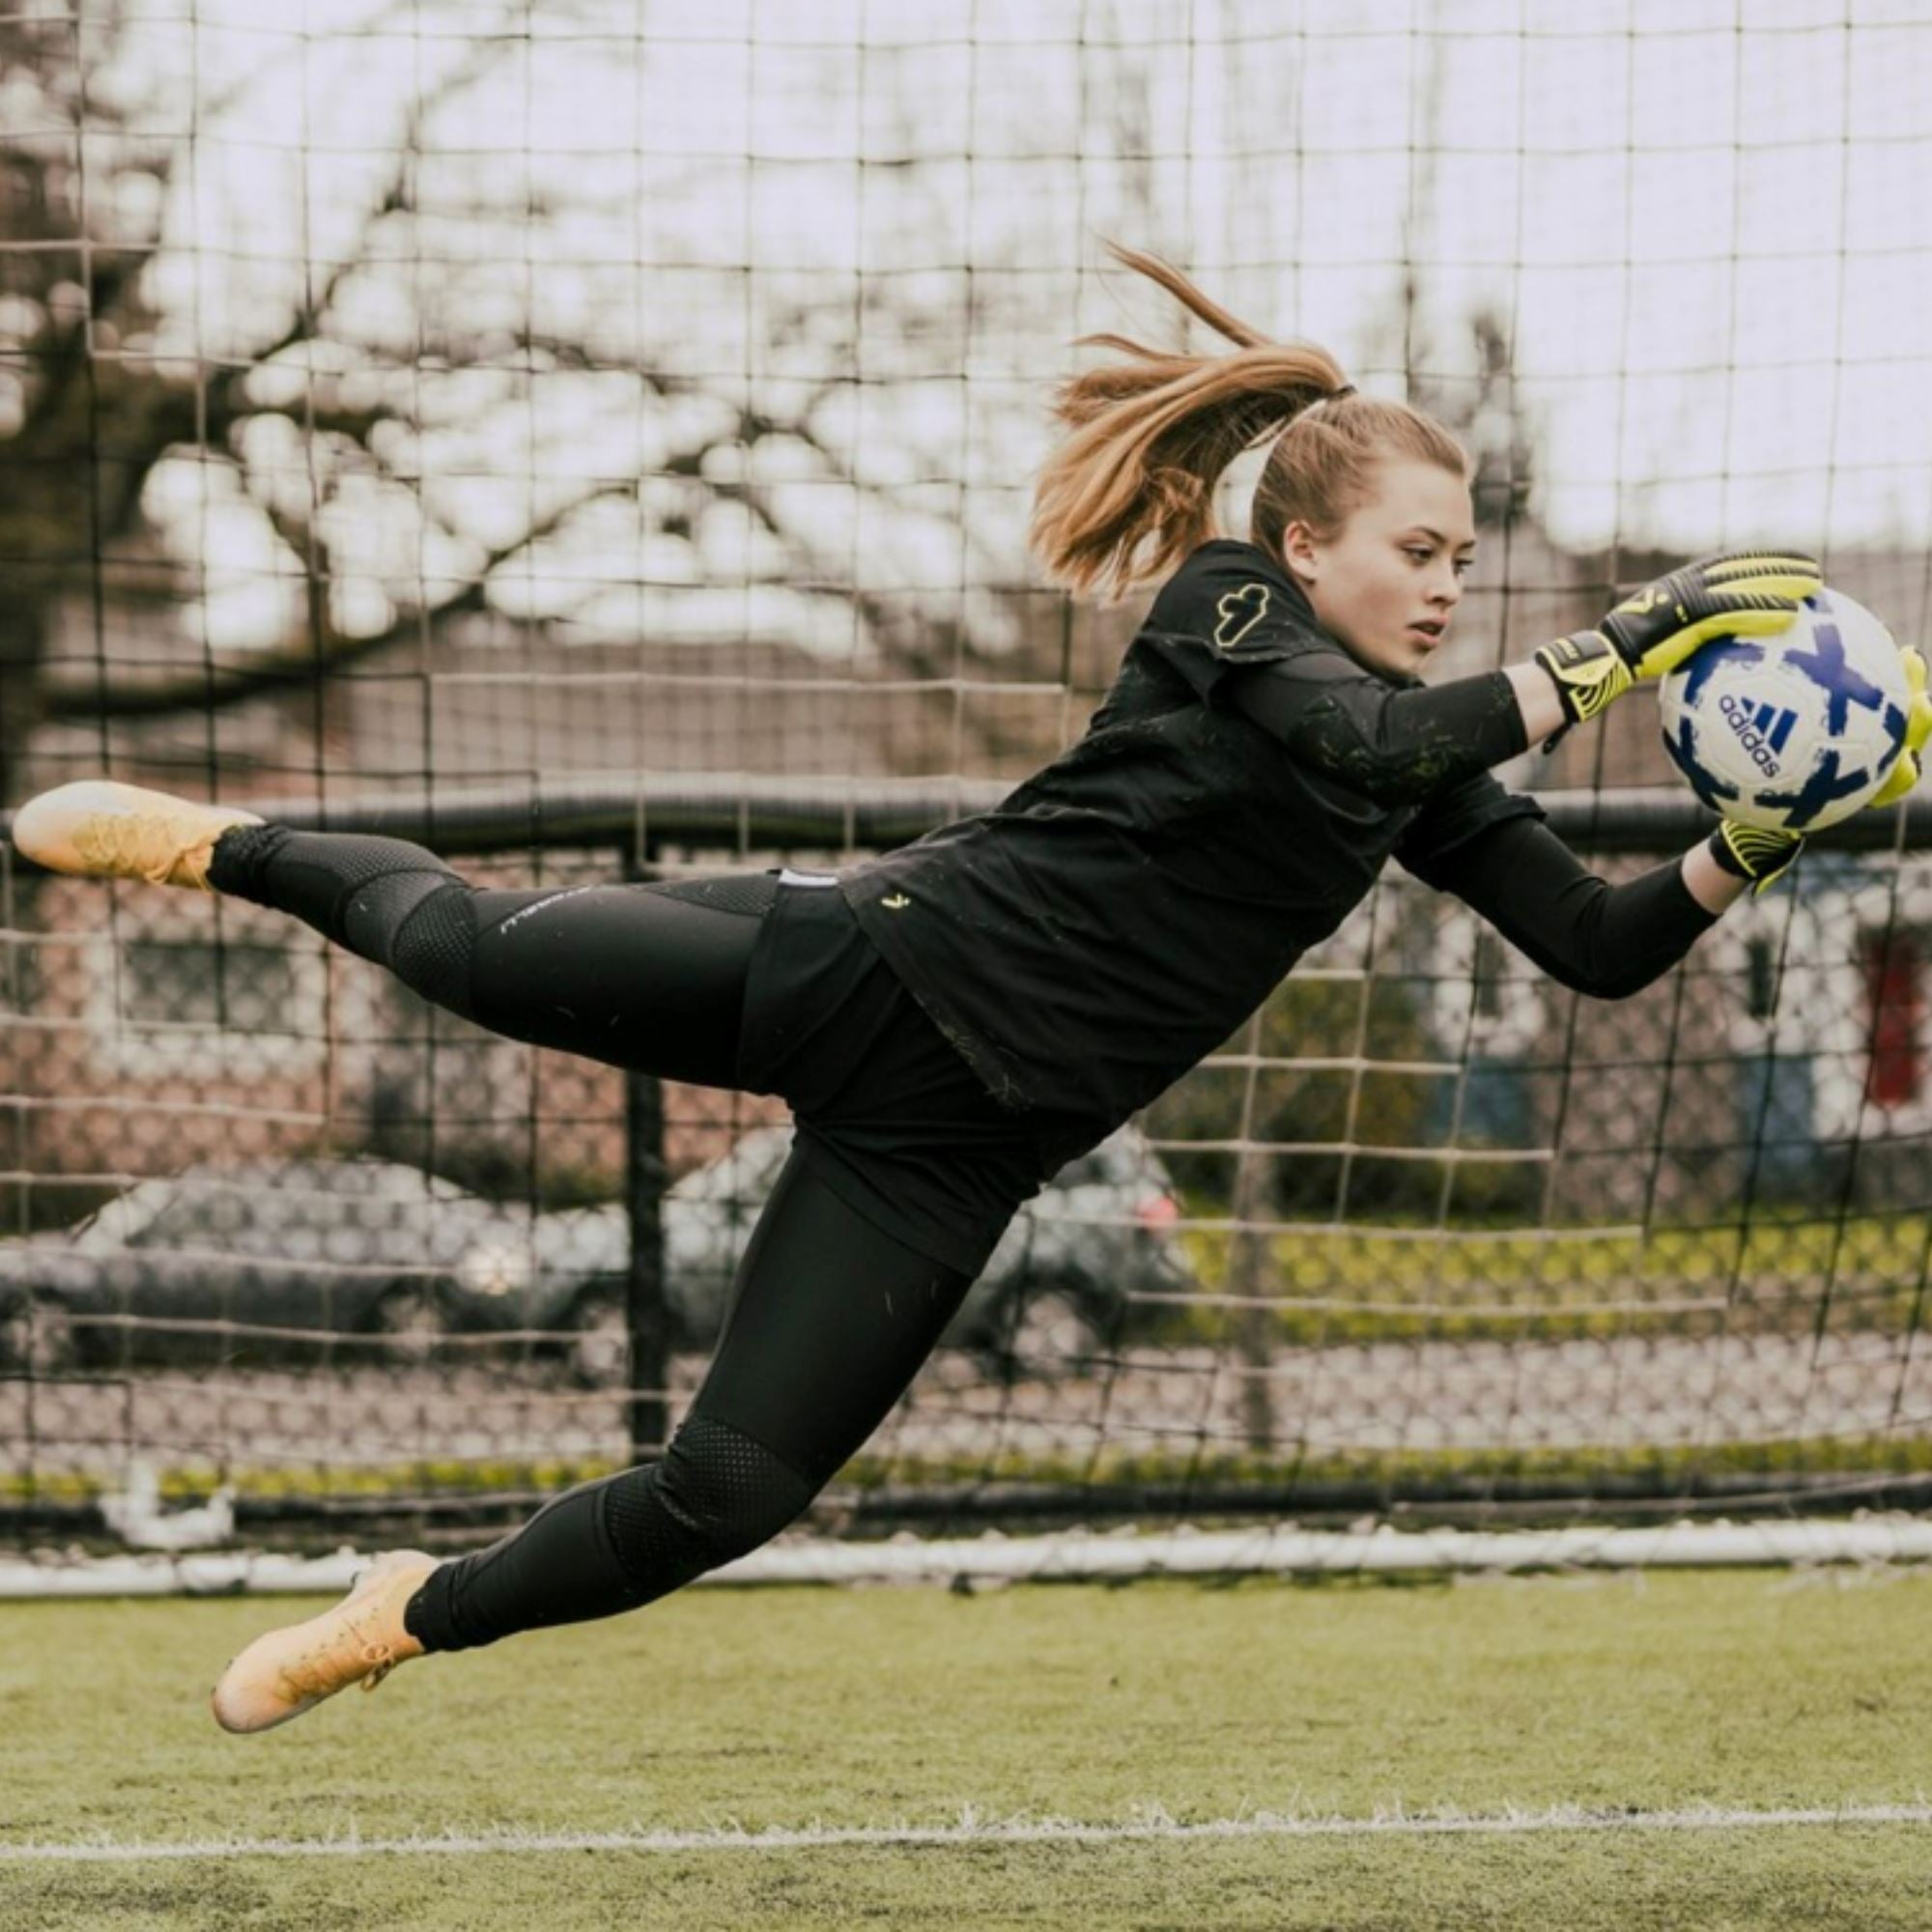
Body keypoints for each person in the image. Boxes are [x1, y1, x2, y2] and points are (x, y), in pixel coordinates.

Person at [12, 247, 1927, 1735]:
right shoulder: (1223, 610)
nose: (1445, 588)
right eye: (1417, 555)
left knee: (722, 1492)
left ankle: (395, 1614)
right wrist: (1644, 630)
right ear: (1304, 544)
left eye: (1461, 563)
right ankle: (212, 844)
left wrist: (1760, 834)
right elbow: (1364, 747)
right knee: (452, 948)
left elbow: (1591, 945)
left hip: (954, 1153)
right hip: (857, 971)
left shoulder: (1425, 758)